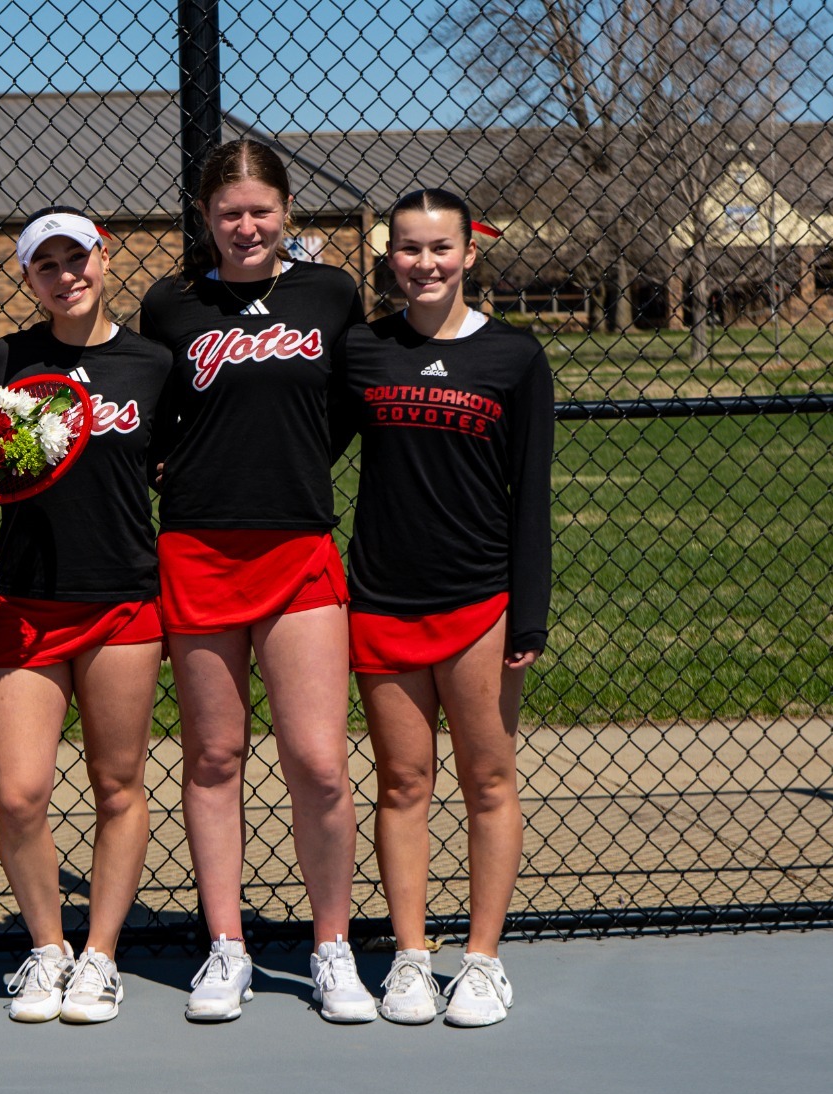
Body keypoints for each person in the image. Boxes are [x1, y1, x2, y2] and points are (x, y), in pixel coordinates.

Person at [137, 138, 375, 1023]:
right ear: (204, 218)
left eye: (260, 210)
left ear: (287, 211)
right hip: (196, 548)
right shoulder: (172, 304)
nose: (245, 226)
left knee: (317, 760)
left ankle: (331, 945)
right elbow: (150, 421)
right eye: (228, 212)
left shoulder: (330, 293)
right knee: (214, 755)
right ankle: (227, 944)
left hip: (298, 545)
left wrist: (297, 468)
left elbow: (350, 401)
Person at [335, 188, 551, 1027]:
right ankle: (413, 957)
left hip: (481, 601)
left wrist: (527, 608)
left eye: (440, 249)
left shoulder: (514, 356)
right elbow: (300, 441)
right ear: (388, 256)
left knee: (488, 779)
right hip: (382, 598)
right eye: (408, 249)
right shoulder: (362, 350)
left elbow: (529, 492)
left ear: (469, 253)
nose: (424, 263)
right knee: (403, 782)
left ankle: (484, 958)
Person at [0, 208, 170, 1025]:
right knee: (20, 794)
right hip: (28, 599)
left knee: (116, 781)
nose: (67, 276)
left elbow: (173, 465)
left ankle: (99, 953)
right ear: (28, 278)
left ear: (103, 258)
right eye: (46, 265)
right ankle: (48, 947)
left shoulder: (153, 364)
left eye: (77, 257)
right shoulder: (8, 359)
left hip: (124, 597)